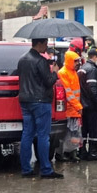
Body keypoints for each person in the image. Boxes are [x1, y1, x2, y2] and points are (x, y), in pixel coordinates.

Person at [17, 38, 63, 179]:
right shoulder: (40, 61)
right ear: (40, 44)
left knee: (27, 134)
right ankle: (46, 169)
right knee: (43, 136)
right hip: (41, 101)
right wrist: (54, 72)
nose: (47, 46)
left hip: (25, 101)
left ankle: (26, 169)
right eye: (45, 44)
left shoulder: (22, 59)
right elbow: (49, 82)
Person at [77, 48, 97, 161]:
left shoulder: (83, 68)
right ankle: (93, 151)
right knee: (94, 129)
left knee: (85, 130)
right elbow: (92, 89)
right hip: (91, 105)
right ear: (95, 57)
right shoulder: (92, 69)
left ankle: (83, 151)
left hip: (83, 104)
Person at [58, 50, 83, 162]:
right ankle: (62, 153)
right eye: (75, 61)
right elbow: (69, 93)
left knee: (74, 133)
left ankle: (72, 152)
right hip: (68, 110)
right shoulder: (63, 73)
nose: (78, 63)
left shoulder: (73, 72)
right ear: (69, 61)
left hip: (74, 110)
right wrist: (78, 106)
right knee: (65, 134)